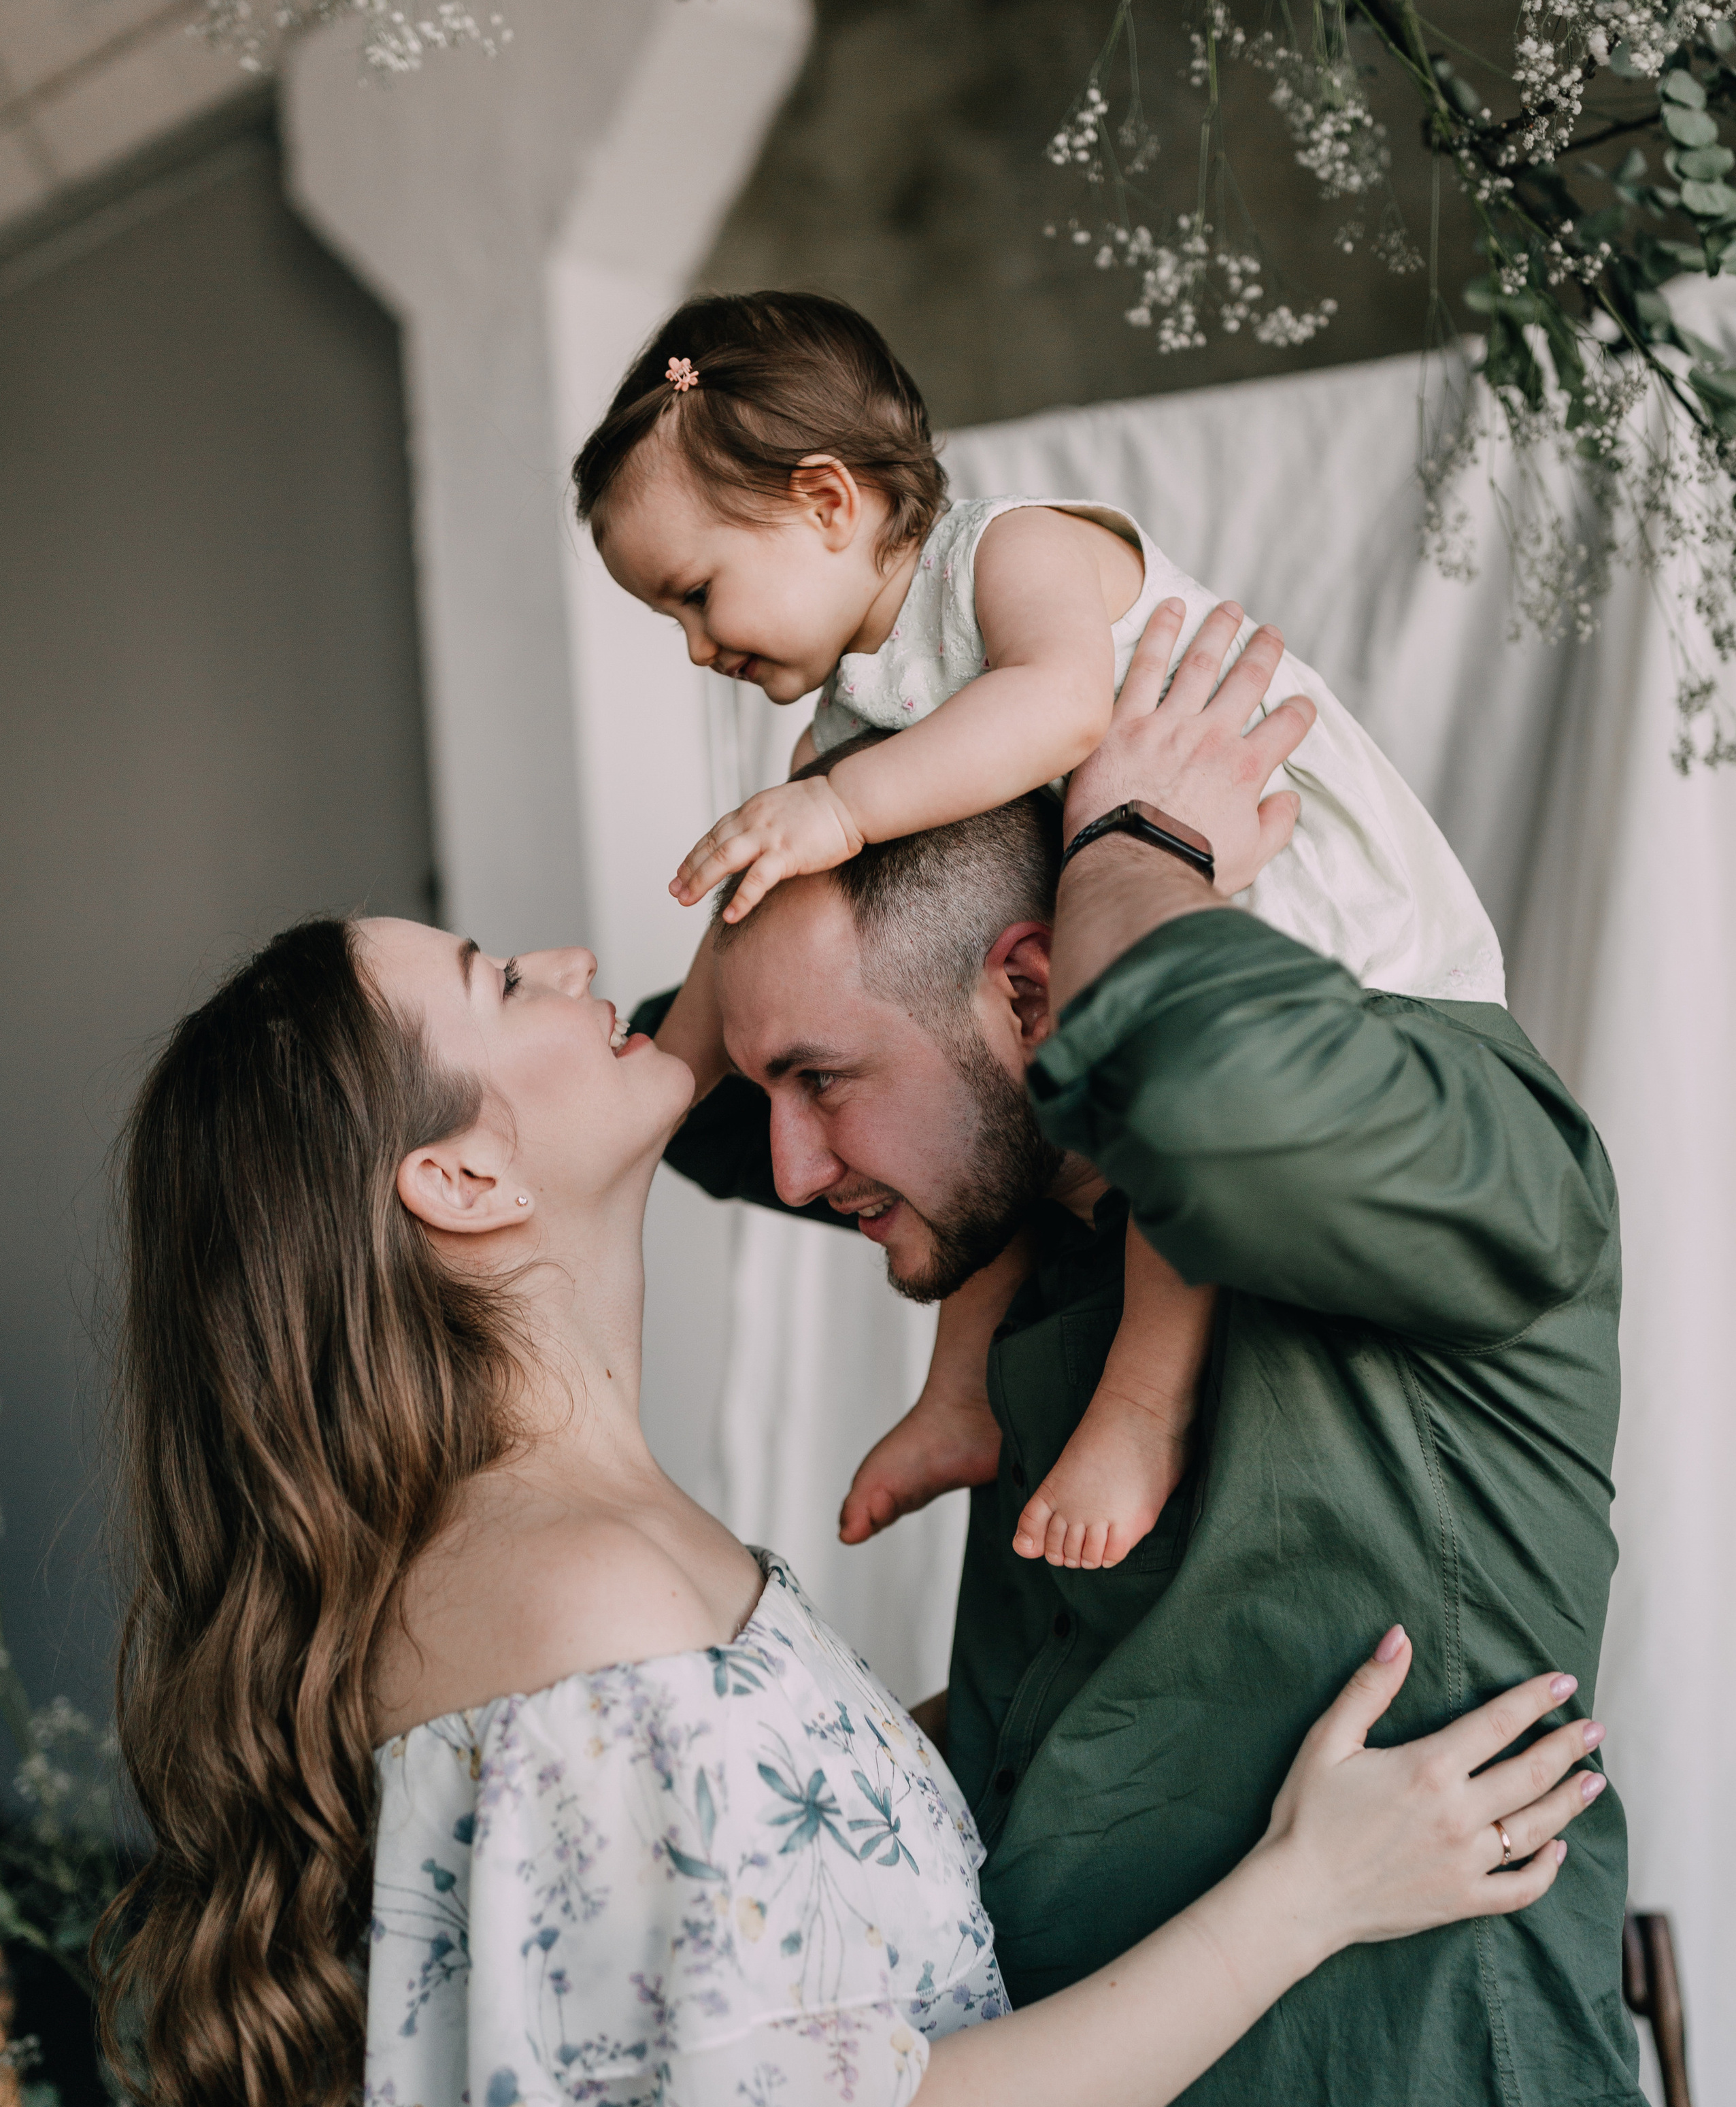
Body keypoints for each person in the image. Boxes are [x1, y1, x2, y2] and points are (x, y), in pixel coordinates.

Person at [95, 803, 1596, 2107]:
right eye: (496, 980)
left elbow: (786, 1876)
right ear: (457, 1175)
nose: (573, 963)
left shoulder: (567, 1552)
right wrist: (1310, 1892)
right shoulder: (577, 1591)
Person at [633, 599, 1688, 2107]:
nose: (793, 1165)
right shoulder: (1027, 1225)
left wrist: (1136, 848)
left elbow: (1200, 1085)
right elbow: (700, 1103)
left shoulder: (1460, 1124)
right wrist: (840, 813)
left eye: (826, 1083)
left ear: (1038, 997)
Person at [573, 289, 1503, 1576]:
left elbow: (1064, 707)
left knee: (1153, 1105)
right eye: (665, 619)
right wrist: (672, 1071)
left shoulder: (1010, 553)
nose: (691, 647)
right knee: (987, 1108)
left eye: (695, 593)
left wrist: (840, 807)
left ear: (829, 502)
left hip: (1306, 920)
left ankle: (1140, 1407)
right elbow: (759, 931)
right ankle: (963, 1395)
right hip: (1119, 943)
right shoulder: (843, 728)